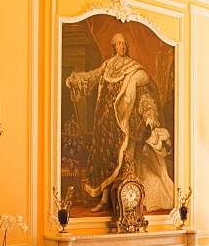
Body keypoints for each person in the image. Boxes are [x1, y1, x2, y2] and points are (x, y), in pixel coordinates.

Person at [65, 32, 175, 212]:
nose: (122, 47)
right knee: (106, 160)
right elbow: (92, 77)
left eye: (124, 44)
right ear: (113, 46)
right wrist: (75, 79)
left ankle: (125, 204)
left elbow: (146, 98)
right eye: (118, 43)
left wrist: (149, 118)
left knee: (125, 161)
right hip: (105, 123)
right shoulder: (108, 65)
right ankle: (105, 199)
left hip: (125, 124)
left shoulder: (134, 70)